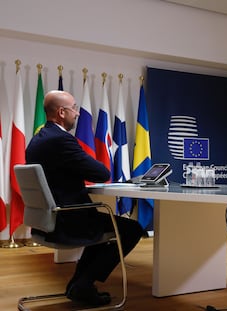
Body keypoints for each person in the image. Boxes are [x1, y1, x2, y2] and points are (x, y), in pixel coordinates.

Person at [26, 90, 146, 307]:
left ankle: (80, 284)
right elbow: (101, 173)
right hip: (69, 219)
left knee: (104, 229)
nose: (78, 114)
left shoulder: (37, 140)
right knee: (132, 229)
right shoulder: (61, 140)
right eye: (74, 108)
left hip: (49, 220)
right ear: (61, 112)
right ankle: (84, 283)